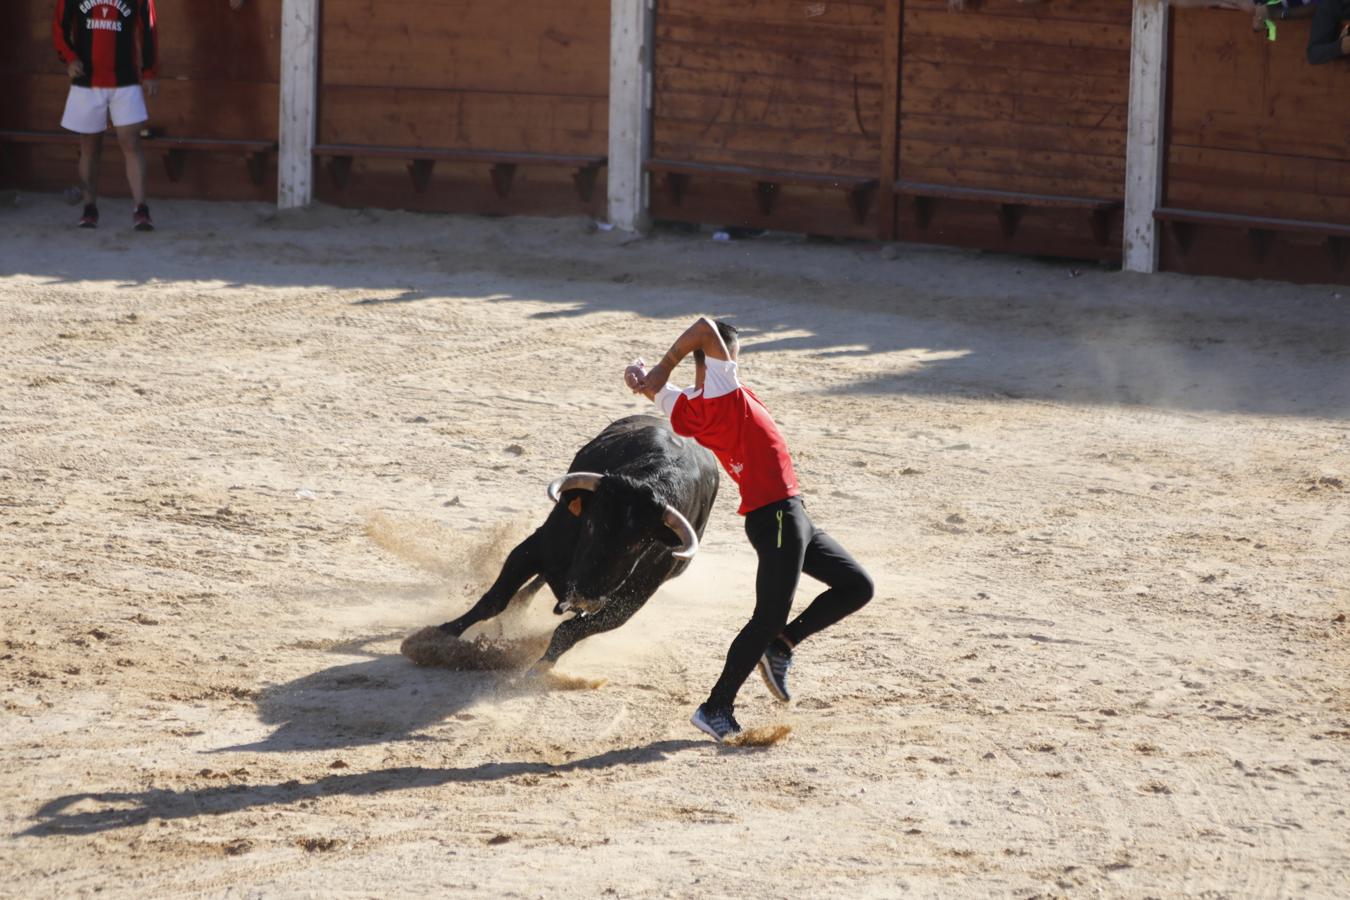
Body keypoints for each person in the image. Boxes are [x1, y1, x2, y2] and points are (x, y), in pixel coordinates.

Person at [626, 318, 874, 742]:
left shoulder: (688, 407)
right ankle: (716, 707)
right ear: (717, 360)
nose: (735, 363)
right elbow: (703, 328)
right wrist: (665, 366)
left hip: (786, 514)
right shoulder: (721, 386)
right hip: (777, 515)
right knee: (768, 616)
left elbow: (656, 392)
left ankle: (781, 646)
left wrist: (644, 378)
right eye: (732, 356)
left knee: (856, 585)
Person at [51, 0, 160, 231]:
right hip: (87, 80)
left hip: (125, 79)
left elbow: (149, 30)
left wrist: (149, 71)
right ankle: (90, 208)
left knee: (131, 141)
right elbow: (59, 27)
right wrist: (69, 58)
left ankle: (141, 209)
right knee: (90, 145)